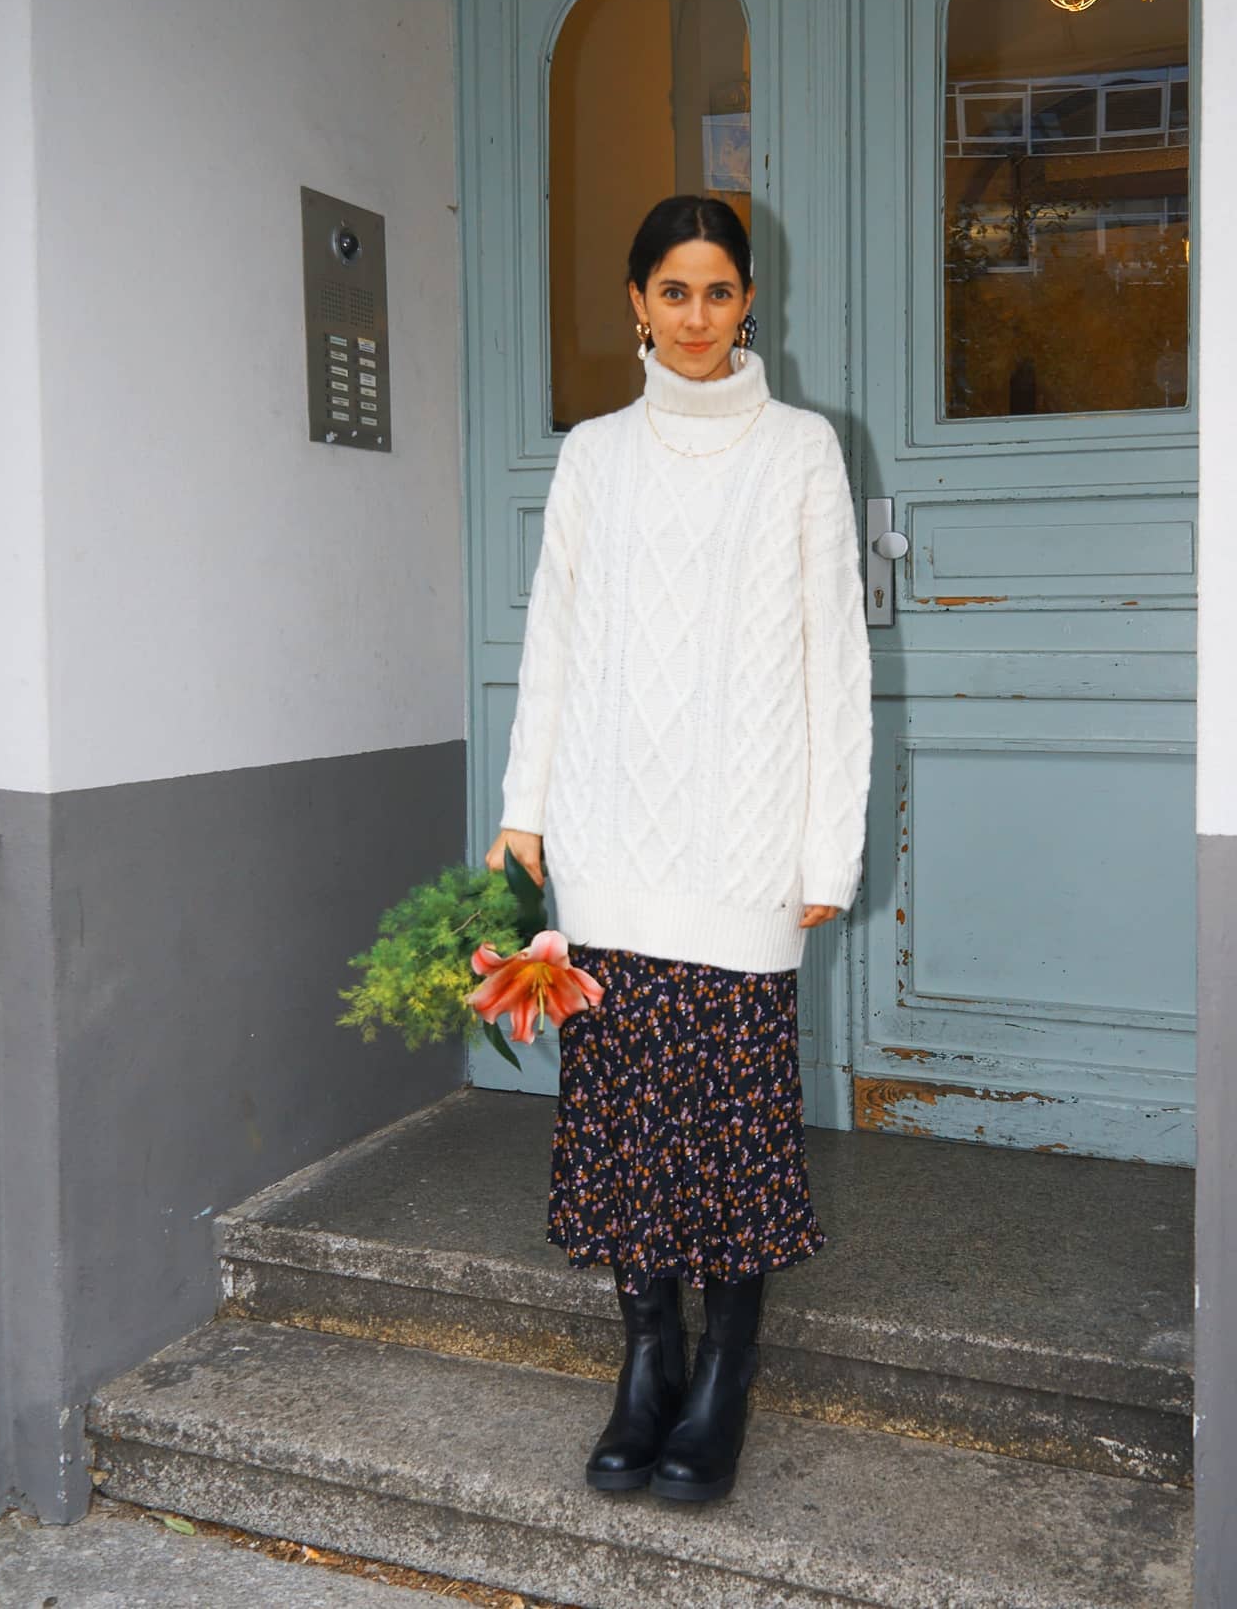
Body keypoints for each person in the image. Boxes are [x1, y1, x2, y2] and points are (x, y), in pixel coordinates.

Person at [484, 194, 872, 1503]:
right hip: (609, 839)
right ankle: (649, 1359)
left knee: (734, 1123)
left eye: (718, 291)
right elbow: (552, 640)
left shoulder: (804, 449)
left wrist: (828, 849)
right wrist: (525, 812)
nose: (696, 316)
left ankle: (727, 1374)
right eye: (673, 291)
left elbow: (837, 660)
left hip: (749, 839)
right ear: (637, 304)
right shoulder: (595, 455)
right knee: (622, 1121)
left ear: (748, 302)